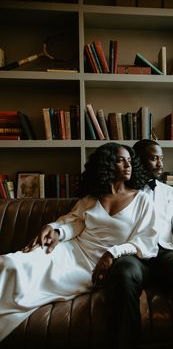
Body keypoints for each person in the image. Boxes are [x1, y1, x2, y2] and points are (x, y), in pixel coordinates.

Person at [0, 142, 158, 343]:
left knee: (30, 289)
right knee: (11, 263)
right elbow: (74, 223)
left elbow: (146, 241)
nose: (128, 166)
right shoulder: (92, 198)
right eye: (120, 160)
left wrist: (113, 253)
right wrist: (56, 231)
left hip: (93, 265)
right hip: (70, 250)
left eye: (129, 161)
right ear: (107, 164)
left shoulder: (142, 200)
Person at [105, 139, 173, 349]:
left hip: (166, 254)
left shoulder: (171, 193)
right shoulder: (120, 192)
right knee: (122, 274)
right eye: (154, 158)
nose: (160, 164)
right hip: (134, 255)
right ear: (137, 160)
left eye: (161, 159)